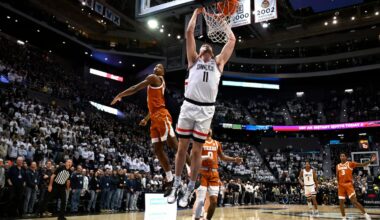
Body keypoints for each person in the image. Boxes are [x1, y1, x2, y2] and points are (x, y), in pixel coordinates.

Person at [167, 7, 236, 205]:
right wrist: (197, 14)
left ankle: (190, 187)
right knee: (182, 148)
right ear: (199, 52)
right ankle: (176, 184)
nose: (205, 47)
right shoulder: (192, 60)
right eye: (203, 47)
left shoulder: (219, 63)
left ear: (212, 53)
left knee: (196, 151)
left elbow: (231, 41)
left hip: (206, 109)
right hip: (189, 106)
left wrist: (222, 22)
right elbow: (189, 33)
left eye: (208, 48)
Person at [111, 63, 189, 195]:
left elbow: (135, 88)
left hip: (162, 115)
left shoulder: (154, 78)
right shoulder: (160, 83)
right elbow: (156, 104)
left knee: (174, 145)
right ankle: (169, 179)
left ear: (163, 72)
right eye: (155, 66)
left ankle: (192, 170)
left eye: (160, 67)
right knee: (157, 150)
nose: (156, 67)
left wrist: (120, 94)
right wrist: (147, 119)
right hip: (154, 117)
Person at [193, 130, 242, 220]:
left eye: (209, 127)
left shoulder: (217, 143)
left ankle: (207, 218)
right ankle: (196, 218)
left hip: (214, 174)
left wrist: (234, 159)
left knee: (214, 202)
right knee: (200, 200)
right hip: (202, 172)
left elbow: (222, 157)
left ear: (211, 131)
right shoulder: (199, 142)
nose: (208, 129)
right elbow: (194, 157)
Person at [336, 153, 376, 220]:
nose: (342, 157)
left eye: (343, 156)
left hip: (348, 184)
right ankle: (343, 217)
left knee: (354, 201)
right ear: (340, 157)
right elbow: (337, 176)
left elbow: (362, 164)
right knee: (341, 203)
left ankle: (365, 214)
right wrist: (338, 184)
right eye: (341, 156)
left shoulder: (350, 164)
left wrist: (370, 161)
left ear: (346, 157)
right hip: (341, 185)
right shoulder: (337, 166)